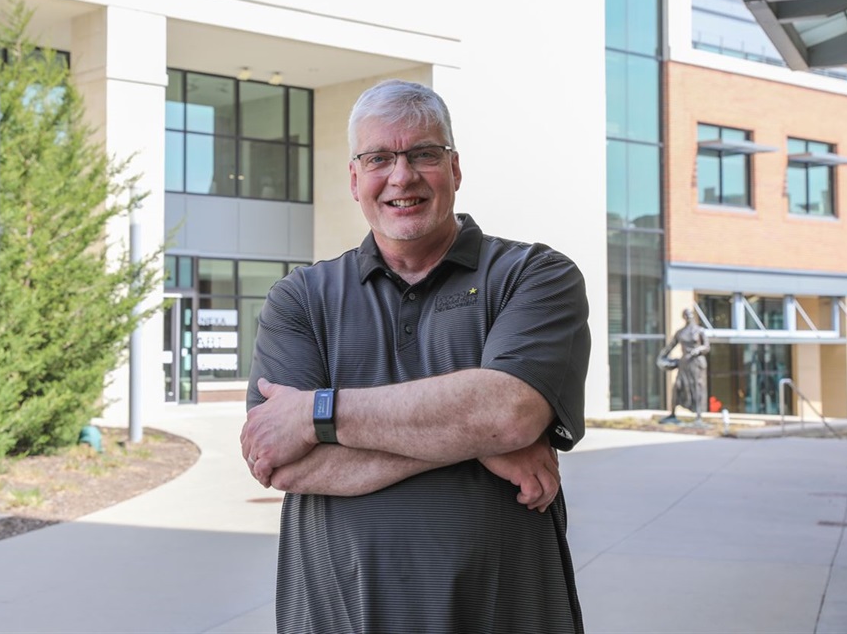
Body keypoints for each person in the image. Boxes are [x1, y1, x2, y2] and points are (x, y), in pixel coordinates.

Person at [240, 80, 591, 634]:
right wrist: (478, 444)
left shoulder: (534, 276)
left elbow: (508, 414)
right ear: (355, 179)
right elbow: (285, 462)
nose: (401, 176)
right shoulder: (301, 298)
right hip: (338, 613)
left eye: (423, 154)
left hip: (506, 611)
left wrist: (316, 415)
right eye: (378, 157)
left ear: (454, 169)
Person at [658, 308, 710, 424]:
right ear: (684, 317)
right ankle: (672, 414)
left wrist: (697, 350)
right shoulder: (680, 332)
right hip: (684, 363)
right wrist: (661, 357)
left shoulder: (700, 331)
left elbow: (706, 347)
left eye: (690, 314)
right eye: (686, 315)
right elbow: (670, 346)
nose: (688, 317)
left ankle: (698, 416)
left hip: (697, 363)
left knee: (697, 388)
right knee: (677, 386)